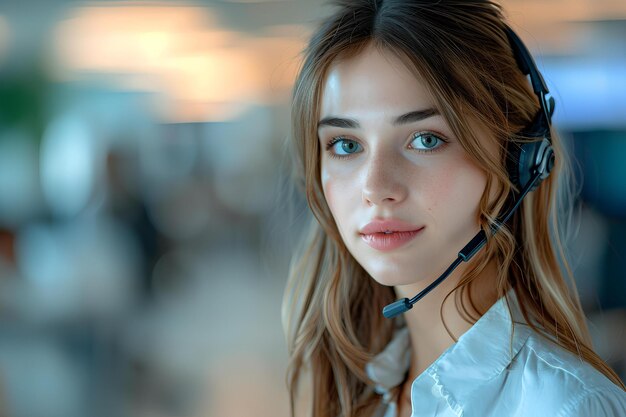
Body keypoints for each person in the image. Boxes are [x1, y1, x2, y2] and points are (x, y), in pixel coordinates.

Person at [280, 1, 626, 416]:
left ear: (518, 163)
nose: (375, 188)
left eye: (425, 139)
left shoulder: (565, 406)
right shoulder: (362, 390)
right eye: (346, 145)